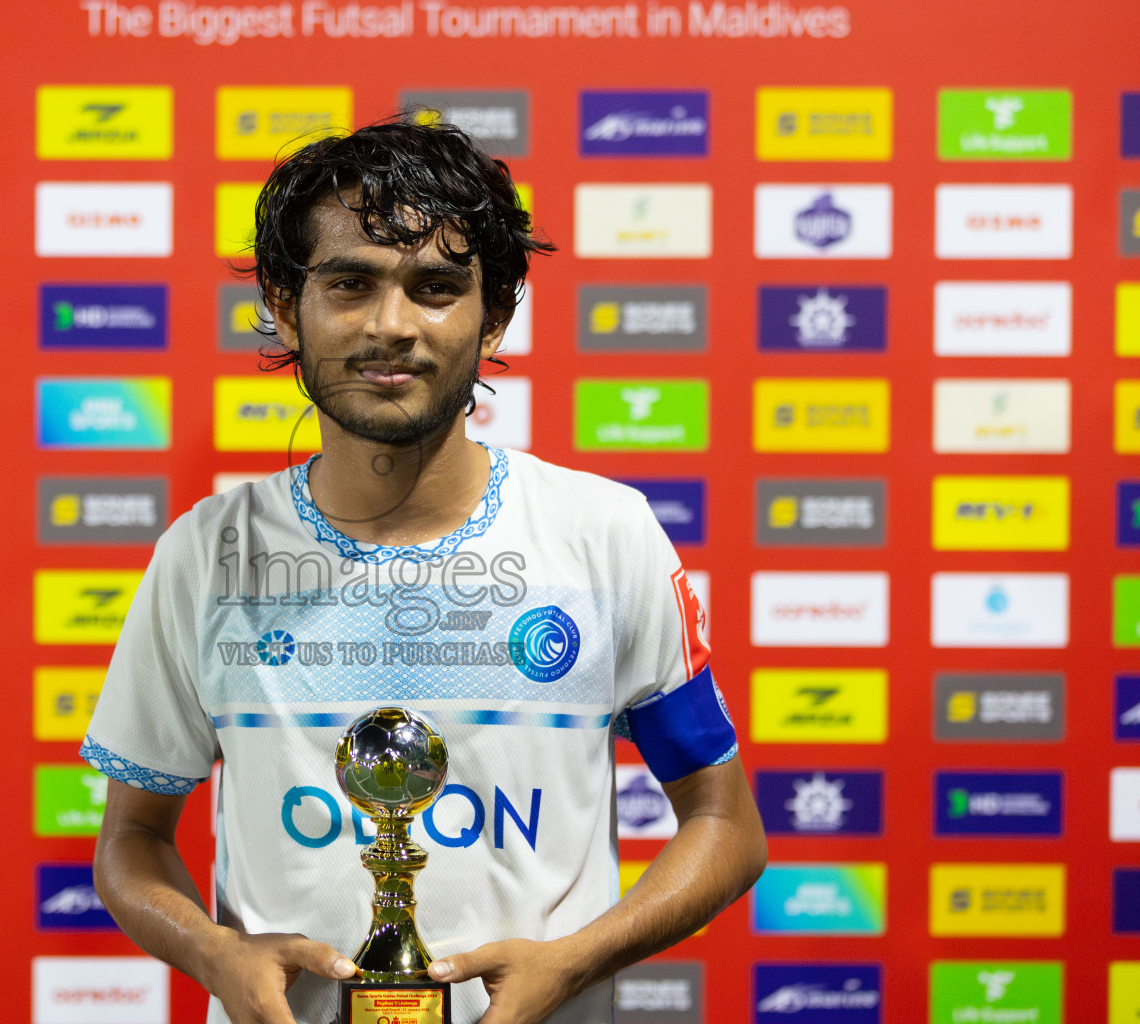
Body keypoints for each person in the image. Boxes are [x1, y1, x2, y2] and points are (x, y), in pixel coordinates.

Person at [82, 118, 767, 1024]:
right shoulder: (209, 553)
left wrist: (572, 962)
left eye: (436, 287)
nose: (391, 325)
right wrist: (214, 953)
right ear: (288, 306)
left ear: (496, 317)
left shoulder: (603, 535)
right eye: (350, 283)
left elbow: (726, 827)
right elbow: (131, 838)